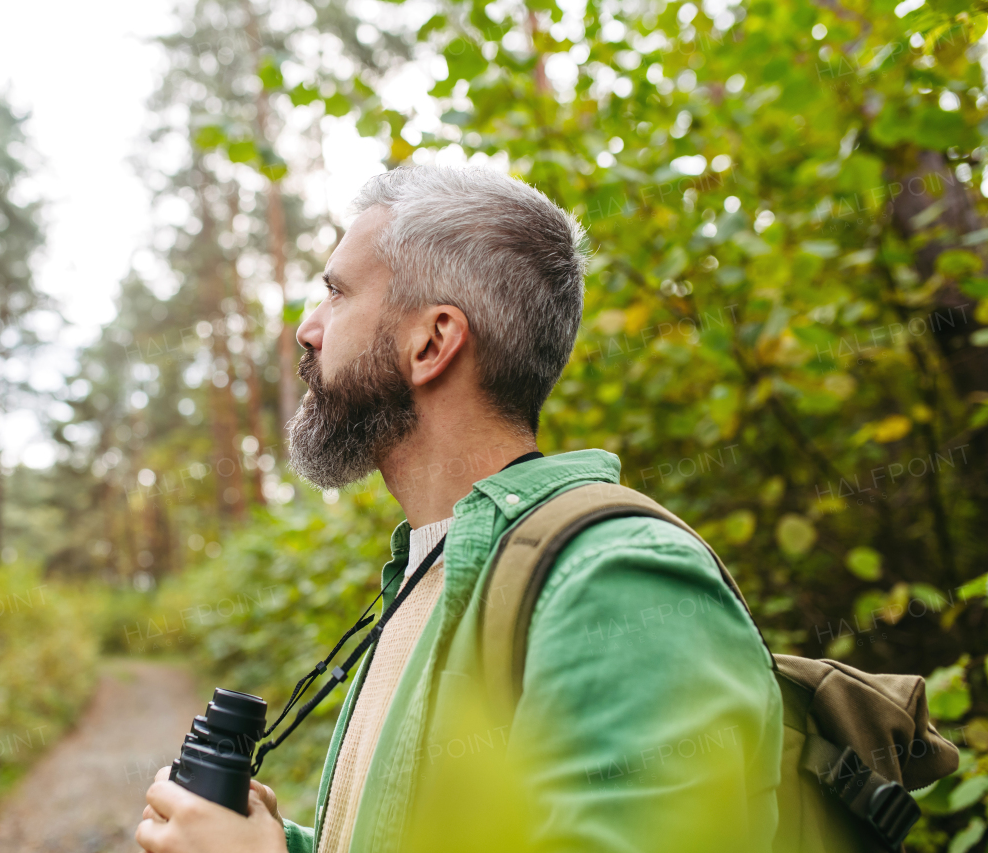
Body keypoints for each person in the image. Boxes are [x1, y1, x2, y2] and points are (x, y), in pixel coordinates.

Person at [136, 165, 781, 853]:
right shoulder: (433, 569)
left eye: (336, 293)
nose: (308, 329)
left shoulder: (613, 581)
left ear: (433, 341)